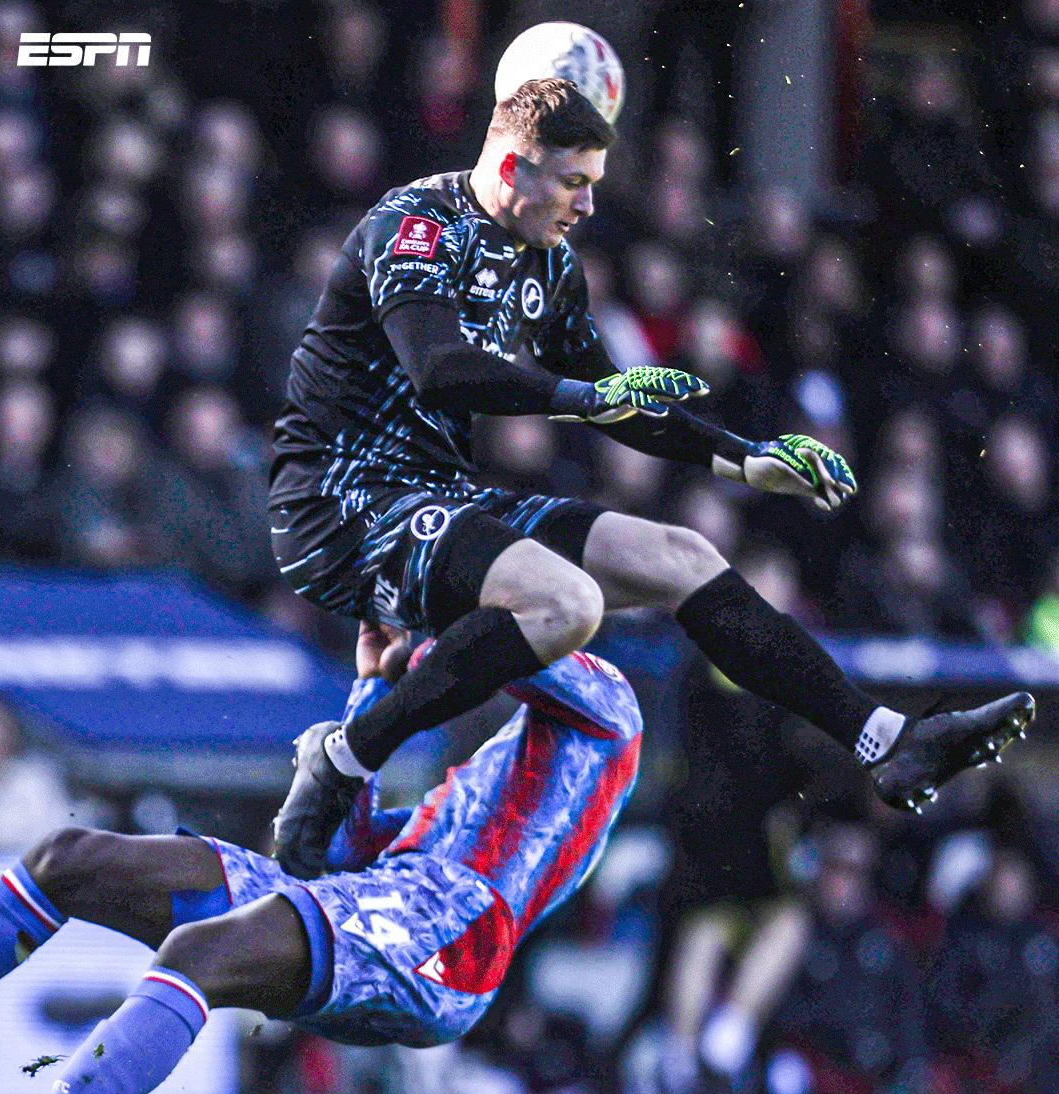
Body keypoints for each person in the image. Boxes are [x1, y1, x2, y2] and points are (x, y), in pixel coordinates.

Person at [268, 76, 1034, 879]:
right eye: (574, 182)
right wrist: (583, 398)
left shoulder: (549, 263)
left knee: (683, 556)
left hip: (439, 496)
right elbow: (440, 370)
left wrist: (743, 456)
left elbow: (614, 397)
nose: (588, 205)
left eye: (595, 184)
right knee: (567, 603)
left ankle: (887, 740)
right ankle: (343, 760)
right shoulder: (416, 224)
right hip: (340, 503)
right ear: (512, 170)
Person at [0, 621, 641, 1094]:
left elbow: (500, 642)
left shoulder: (607, 696)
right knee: (67, 860)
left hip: (454, 927)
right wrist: (370, 691)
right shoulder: (496, 750)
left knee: (203, 953)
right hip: (393, 895)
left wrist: (413, 629)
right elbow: (332, 857)